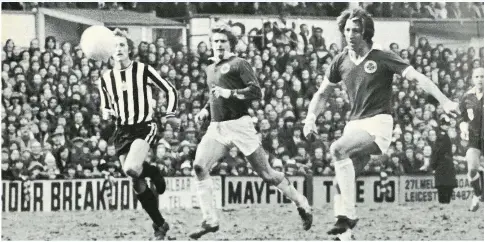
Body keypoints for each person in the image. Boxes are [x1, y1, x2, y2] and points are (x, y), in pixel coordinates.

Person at [303, 8, 459, 241]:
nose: (350, 34)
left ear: (366, 32)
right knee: (342, 181)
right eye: (347, 30)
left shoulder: (381, 57)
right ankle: (345, 235)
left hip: (379, 122)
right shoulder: (340, 61)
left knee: (337, 149)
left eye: (356, 30)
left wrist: (444, 101)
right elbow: (322, 93)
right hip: (354, 124)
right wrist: (310, 118)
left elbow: (417, 77)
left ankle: (346, 217)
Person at [189, 24, 312, 240]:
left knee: (267, 175)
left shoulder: (239, 64)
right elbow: (214, 94)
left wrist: (231, 93)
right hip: (217, 127)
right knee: (199, 167)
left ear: (230, 43)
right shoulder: (210, 67)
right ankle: (210, 219)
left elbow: (256, 91)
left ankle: (300, 201)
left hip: (240, 126)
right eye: (215, 41)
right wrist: (204, 110)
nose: (218, 45)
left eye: (223, 41)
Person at [97, 29, 178, 239]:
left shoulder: (142, 70)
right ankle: (160, 224)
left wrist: (169, 113)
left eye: (122, 45)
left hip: (144, 126)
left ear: (129, 49)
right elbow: (105, 106)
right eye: (115, 46)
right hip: (122, 131)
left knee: (132, 168)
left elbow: (169, 89)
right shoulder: (105, 78)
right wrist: (107, 112)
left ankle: (153, 172)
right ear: (110, 51)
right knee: (135, 180)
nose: (118, 49)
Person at [459, 67, 484, 211]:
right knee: (472, 169)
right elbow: (461, 117)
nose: (480, 79)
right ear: (473, 78)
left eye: (482, 76)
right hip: (474, 138)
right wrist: (462, 125)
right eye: (477, 77)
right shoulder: (467, 97)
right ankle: (477, 195)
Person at [430, 114, 457, 204]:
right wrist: (434, 165)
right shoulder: (442, 135)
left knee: (445, 186)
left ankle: (444, 203)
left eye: (447, 124)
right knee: (445, 186)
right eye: (445, 124)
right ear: (441, 125)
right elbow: (437, 151)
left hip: (444, 163)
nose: (447, 126)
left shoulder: (443, 135)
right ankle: (444, 203)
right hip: (443, 164)